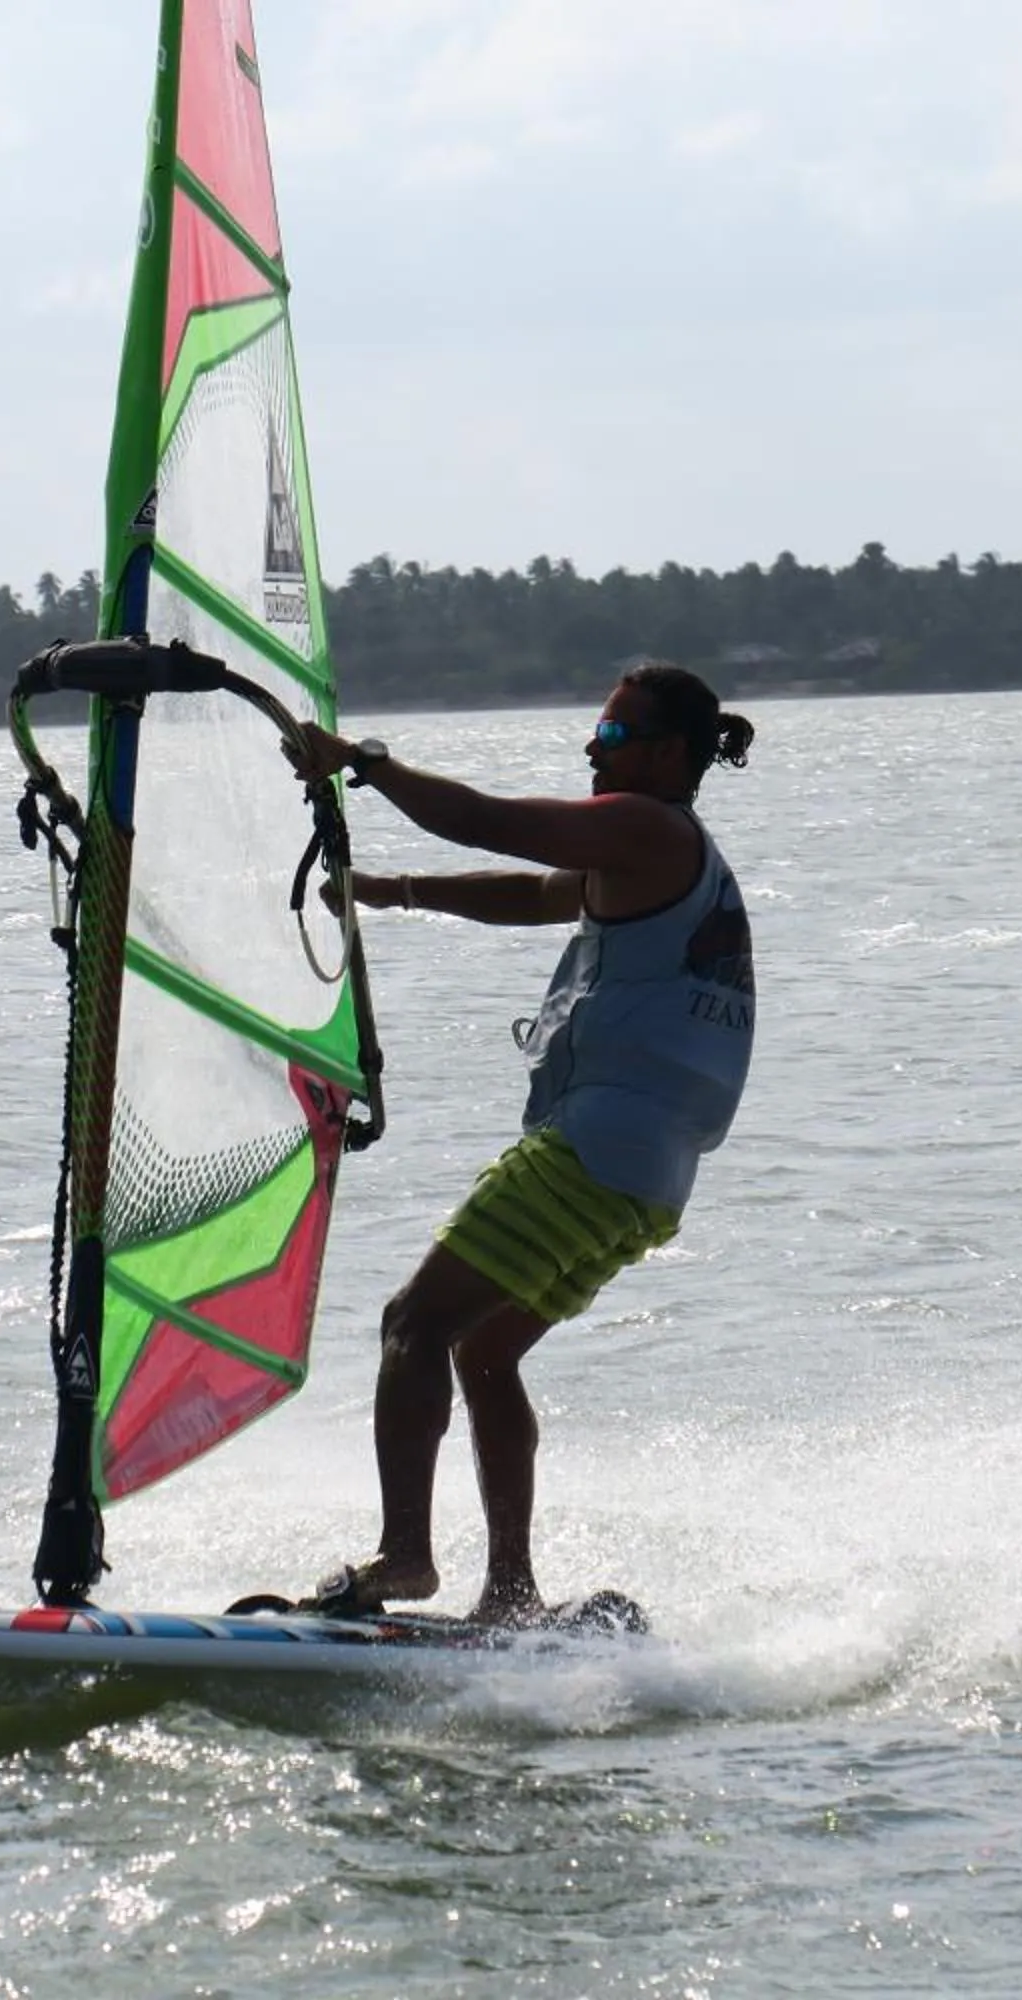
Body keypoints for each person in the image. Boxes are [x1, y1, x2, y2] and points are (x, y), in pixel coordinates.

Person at [282, 664, 757, 1624]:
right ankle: (512, 1594)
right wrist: (392, 890)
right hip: (650, 1180)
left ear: (669, 755)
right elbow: (536, 891)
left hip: (595, 1150)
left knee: (414, 1323)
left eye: (615, 735)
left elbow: (491, 820)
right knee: (486, 1351)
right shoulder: (651, 857)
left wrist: (362, 762)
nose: (593, 747)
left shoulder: (650, 828)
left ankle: (406, 1559)